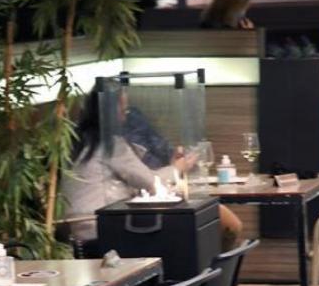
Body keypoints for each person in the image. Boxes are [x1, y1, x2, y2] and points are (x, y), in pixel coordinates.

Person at [63, 84, 243, 248]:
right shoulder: (110, 145)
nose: (126, 115)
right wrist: (178, 168)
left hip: (83, 227)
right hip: (101, 228)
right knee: (220, 222)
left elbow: (138, 178)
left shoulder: (77, 141)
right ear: (110, 111)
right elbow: (150, 182)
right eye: (123, 109)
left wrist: (172, 167)